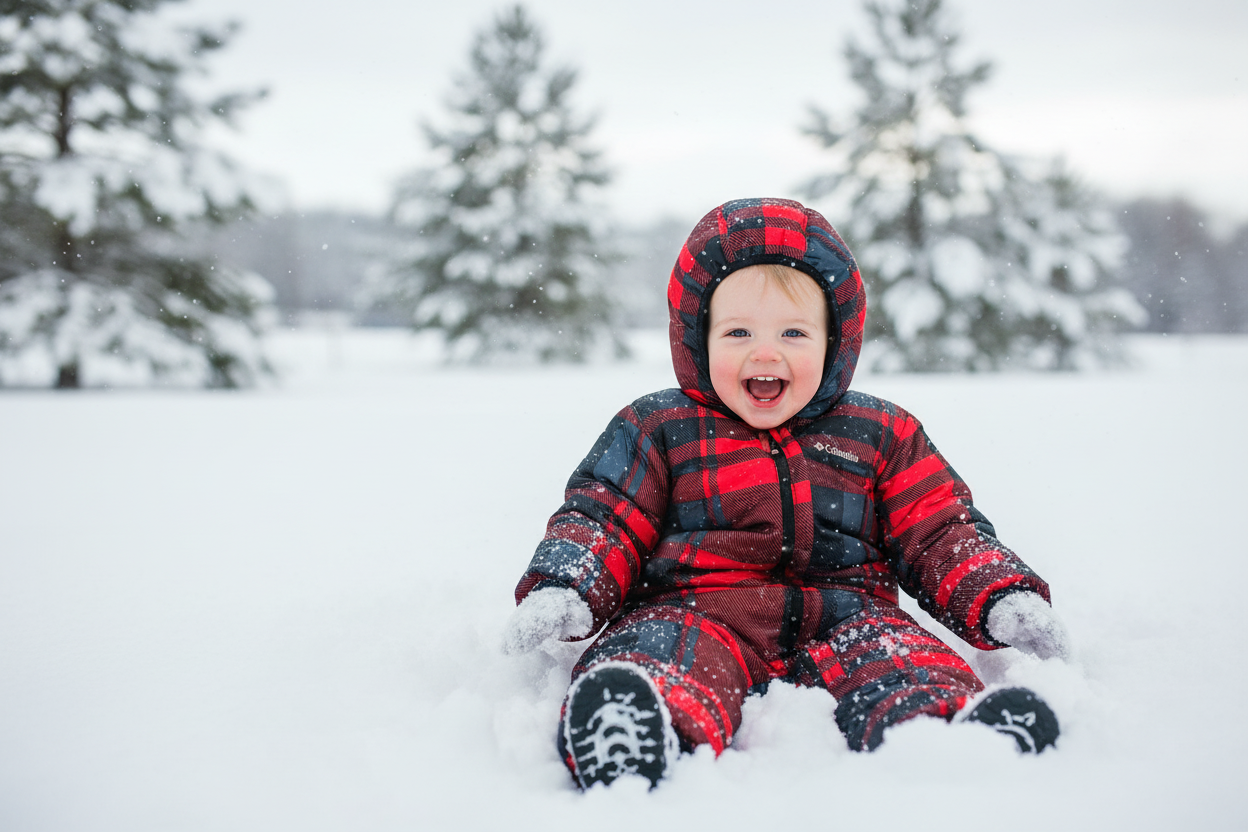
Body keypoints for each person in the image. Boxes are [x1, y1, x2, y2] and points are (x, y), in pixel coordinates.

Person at [503, 198, 1070, 789]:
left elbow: (938, 528)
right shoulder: (660, 427)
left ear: (835, 342)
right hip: (701, 609)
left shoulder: (882, 433)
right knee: (659, 650)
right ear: (698, 339)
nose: (765, 352)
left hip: (847, 613)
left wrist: (1001, 593)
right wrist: (565, 584)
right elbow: (604, 516)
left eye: (794, 332)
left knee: (899, 659)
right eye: (739, 331)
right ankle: (636, 729)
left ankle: (958, 737)